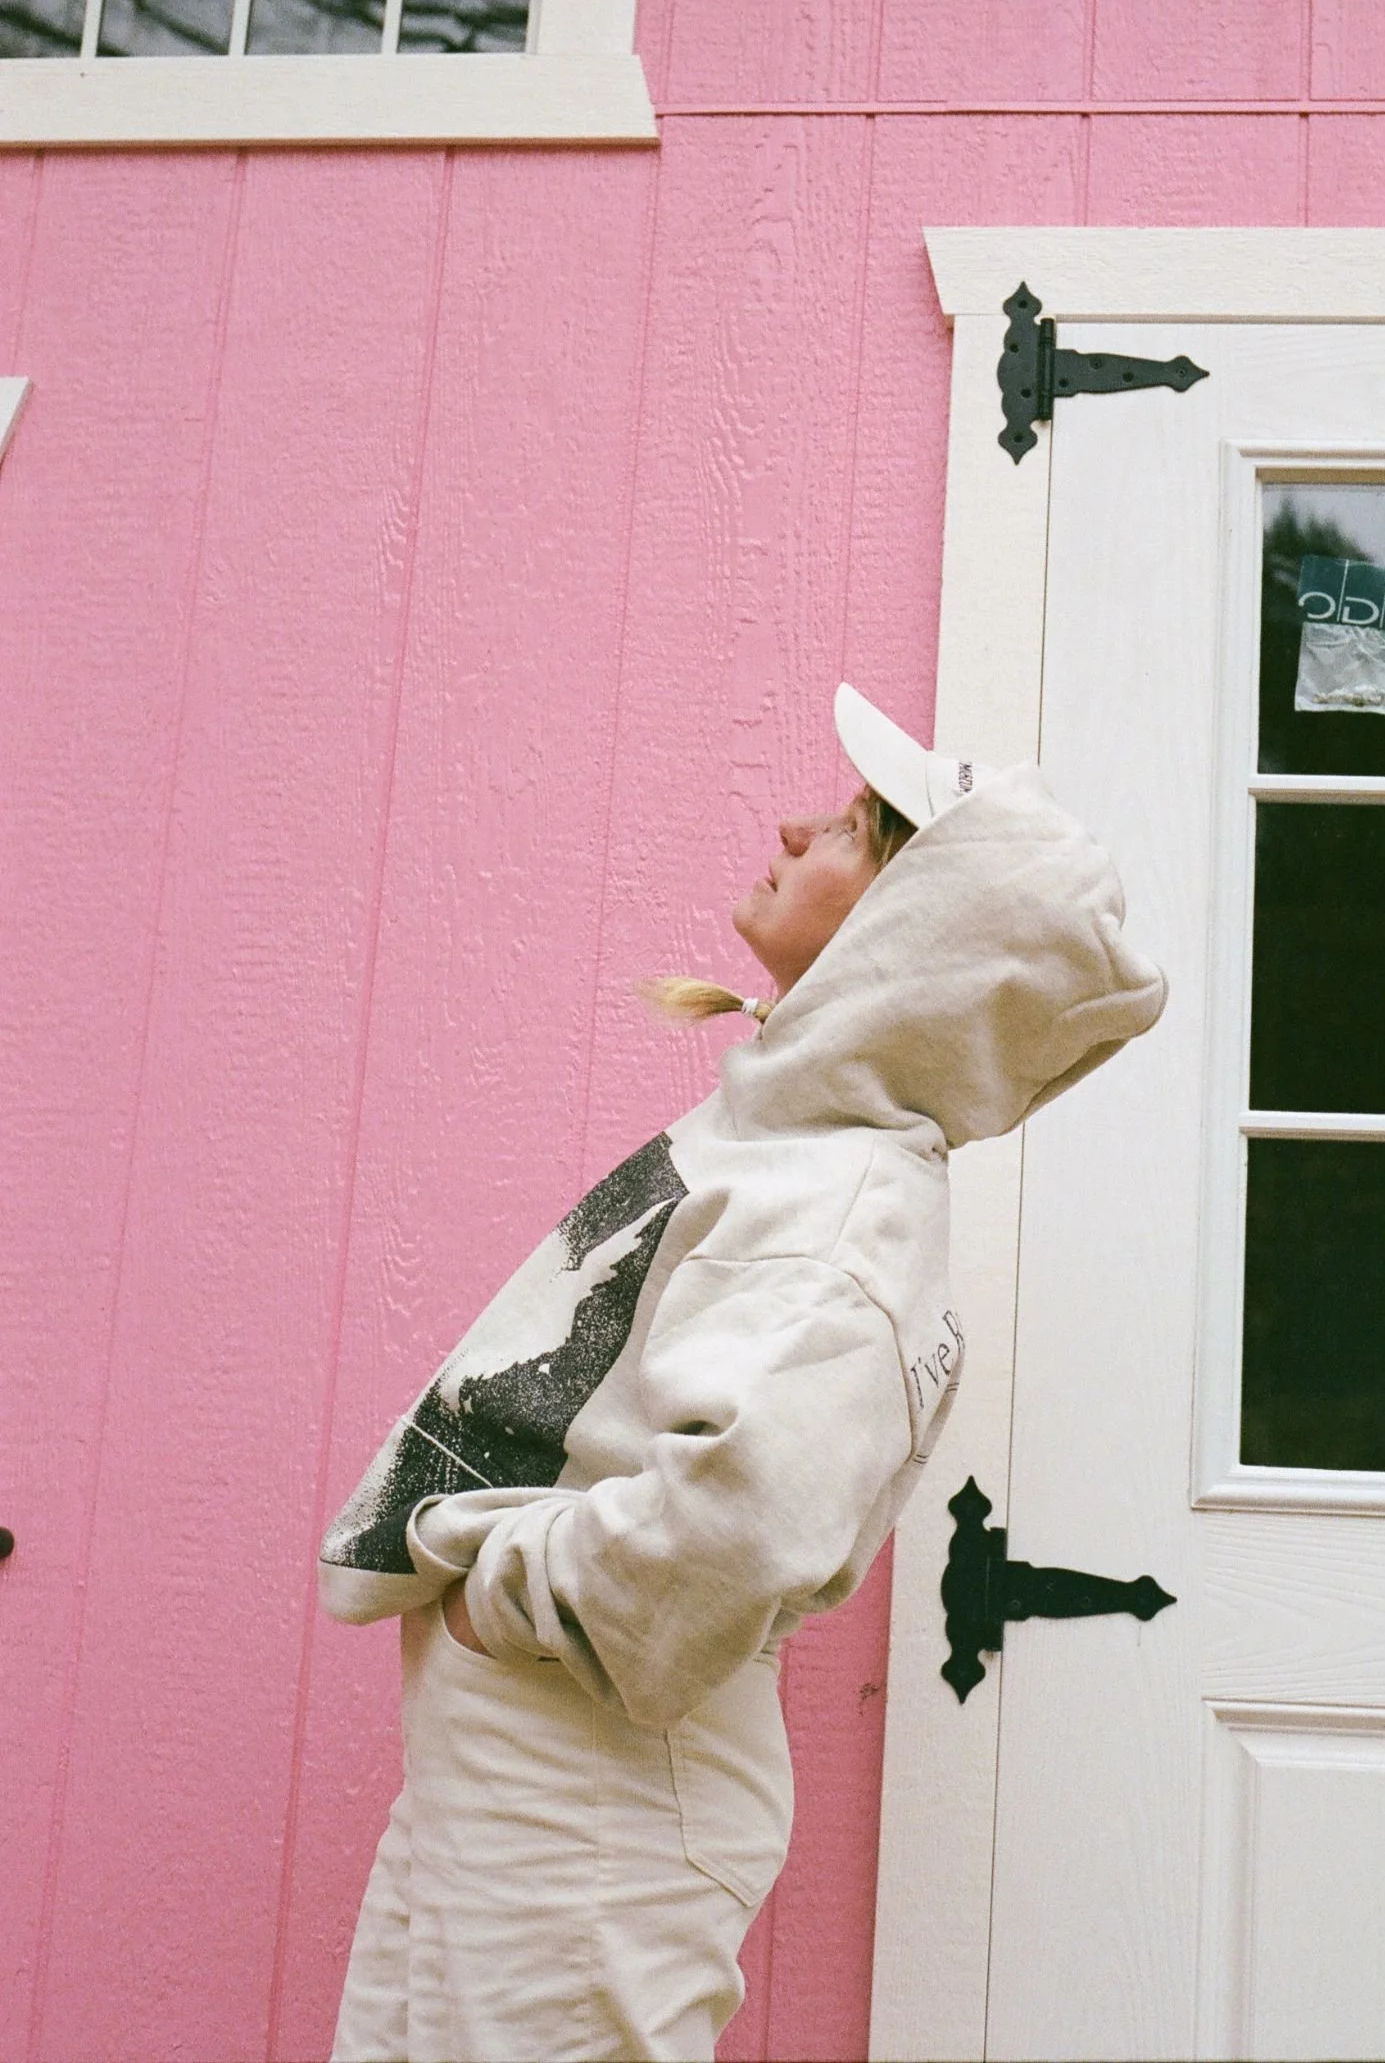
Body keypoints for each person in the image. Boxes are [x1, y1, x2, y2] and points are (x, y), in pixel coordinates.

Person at [320, 684, 1167, 2063]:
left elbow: (743, 1519)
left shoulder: (841, 1215)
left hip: (584, 1797)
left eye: (850, 826)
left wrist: (500, 1602)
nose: (794, 823)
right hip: (536, 1778)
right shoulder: (791, 1151)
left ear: (912, 936)